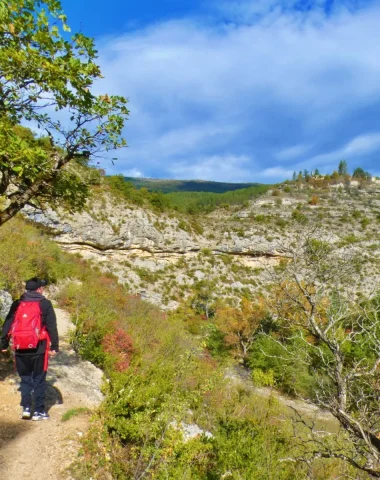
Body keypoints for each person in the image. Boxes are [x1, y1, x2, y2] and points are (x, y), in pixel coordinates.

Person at [0, 277, 59, 421]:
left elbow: (8, 324)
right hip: (39, 348)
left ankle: (26, 408)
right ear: (39, 289)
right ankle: (39, 411)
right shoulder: (45, 304)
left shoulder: (17, 304)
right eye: (42, 287)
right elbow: (52, 326)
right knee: (39, 378)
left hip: (20, 347)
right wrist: (55, 346)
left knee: (25, 379)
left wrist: (3, 344)